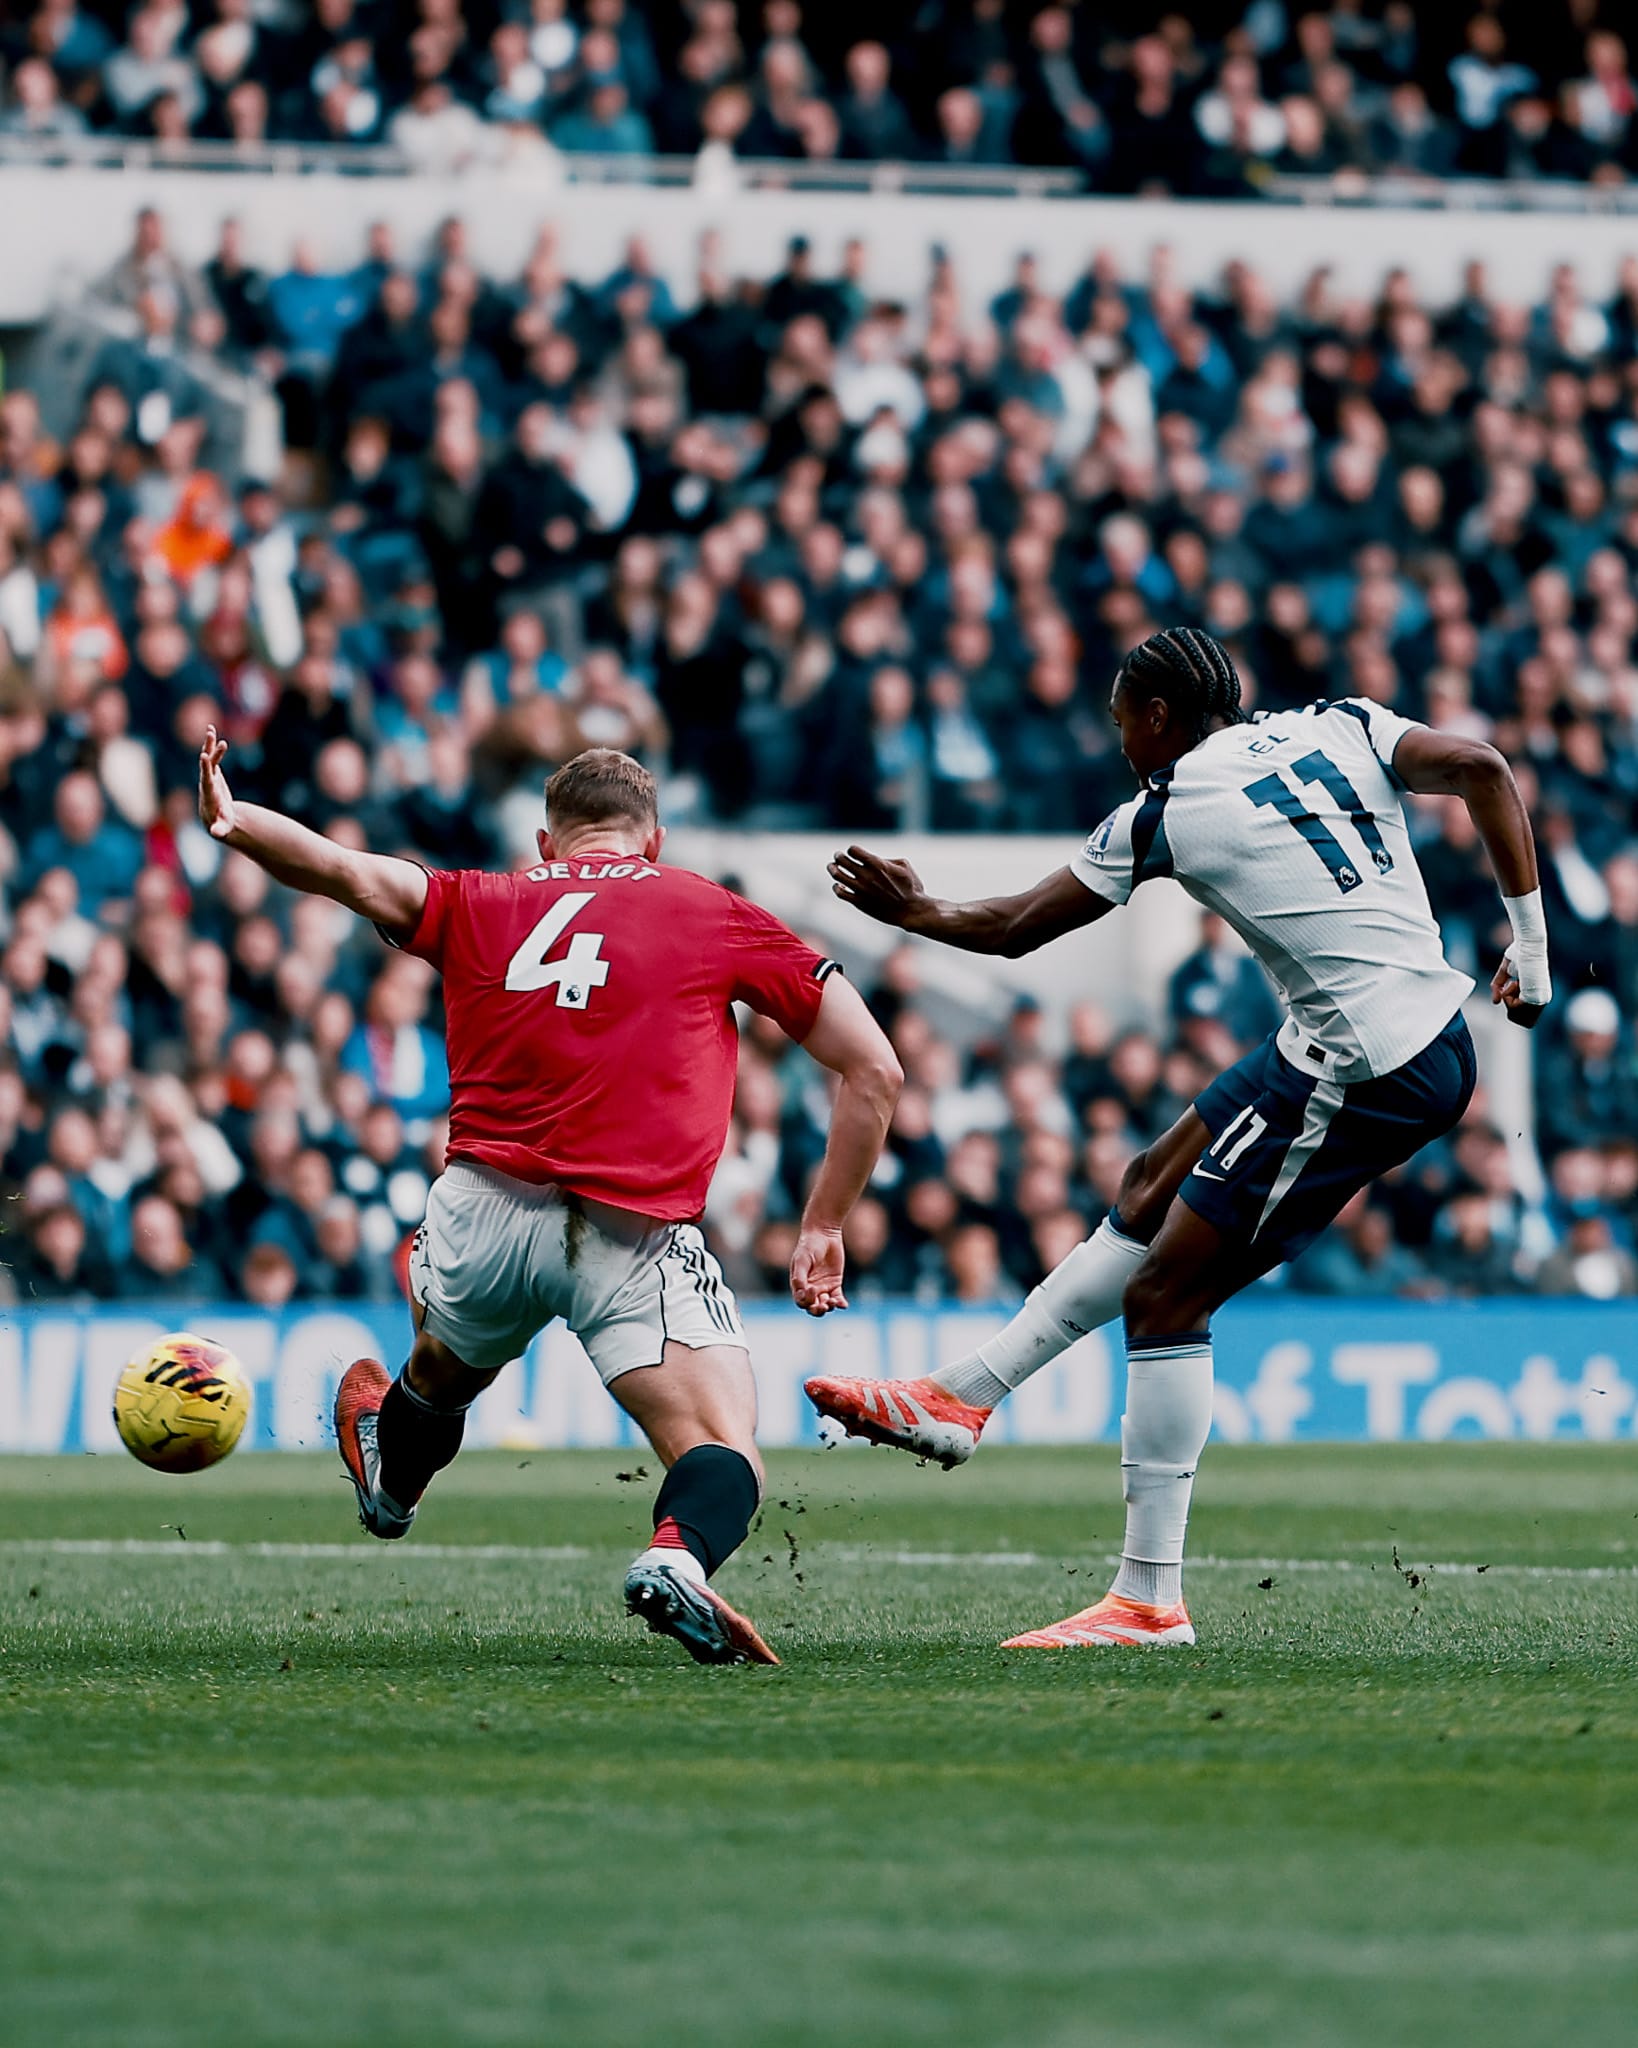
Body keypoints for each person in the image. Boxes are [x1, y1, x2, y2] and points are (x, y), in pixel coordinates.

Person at [807, 627, 1550, 1649]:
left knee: (1167, 1291)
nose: (1119, 743)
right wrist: (1532, 942)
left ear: (1158, 715)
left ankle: (1148, 1599)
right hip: (1382, 1026)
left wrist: (914, 908)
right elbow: (1482, 767)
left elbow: (1019, 925)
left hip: (1368, 1067)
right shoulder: (1340, 723)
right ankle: (960, 1397)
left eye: (1122, 722)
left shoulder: (1168, 809)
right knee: (1152, 1179)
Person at [198, 734, 901, 1666]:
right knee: (719, 1444)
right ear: (652, 843)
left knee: (444, 1370)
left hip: (478, 1213)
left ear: (546, 843)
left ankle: (391, 1480)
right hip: (627, 1231)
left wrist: (233, 819)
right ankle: (678, 1561)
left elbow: (342, 871)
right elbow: (875, 1069)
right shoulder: (710, 909)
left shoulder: (479, 898)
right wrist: (821, 1224)